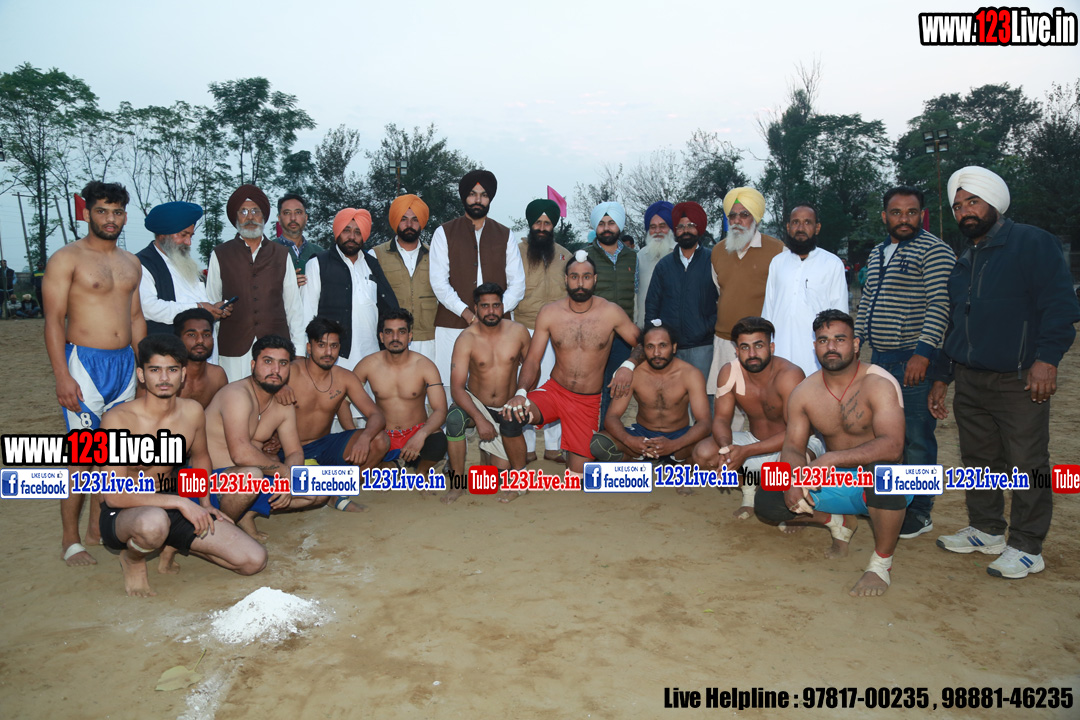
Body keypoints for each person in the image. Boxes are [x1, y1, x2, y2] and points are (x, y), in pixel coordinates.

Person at [931, 166, 1080, 579]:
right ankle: (987, 528)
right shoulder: (965, 258)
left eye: (972, 202)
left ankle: (1028, 546)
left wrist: (1047, 359)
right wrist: (943, 375)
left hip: (1020, 379)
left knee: (1027, 463)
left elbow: (1060, 306)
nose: (964, 211)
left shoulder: (1032, 243)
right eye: (958, 206)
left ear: (994, 202)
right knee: (978, 460)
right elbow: (956, 323)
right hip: (971, 378)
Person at [97, 334, 266, 597]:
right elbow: (114, 495)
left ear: (183, 374)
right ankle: (133, 559)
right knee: (153, 522)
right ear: (141, 375)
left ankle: (173, 542)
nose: (164, 378)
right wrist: (181, 503)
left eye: (172, 370)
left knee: (253, 561)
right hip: (126, 512)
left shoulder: (192, 411)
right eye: (155, 370)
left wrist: (205, 503)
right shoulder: (118, 419)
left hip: (170, 504)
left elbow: (200, 458)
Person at [754, 310, 909, 597]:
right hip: (838, 479)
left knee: (884, 475)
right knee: (768, 496)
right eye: (823, 340)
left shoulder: (879, 383)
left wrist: (829, 459)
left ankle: (880, 565)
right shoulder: (805, 392)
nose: (831, 347)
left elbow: (893, 446)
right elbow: (793, 446)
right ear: (815, 346)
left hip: (883, 480)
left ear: (856, 344)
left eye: (840, 339)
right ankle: (836, 521)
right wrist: (793, 479)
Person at [44, 181, 146, 567]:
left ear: (125, 216)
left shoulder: (131, 262)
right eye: (102, 211)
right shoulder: (66, 259)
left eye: (117, 212)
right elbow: (53, 320)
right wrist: (61, 375)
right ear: (87, 213)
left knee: (114, 455)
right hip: (84, 365)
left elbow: (136, 318)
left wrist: (142, 368)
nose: (110, 219)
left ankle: (94, 529)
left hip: (124, 366)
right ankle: (70, 541)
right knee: (82, 457)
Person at [855, 186, 955, 539]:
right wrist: (856, 341)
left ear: (921, 215)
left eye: (911, 212)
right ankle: (893, 503)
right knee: (884, 435)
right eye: (896, 212)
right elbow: (867, 301)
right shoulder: (877, 252)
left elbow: (940, 304)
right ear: (885, 216)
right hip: (880, 359)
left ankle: (920, 511)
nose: (904, 219)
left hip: (912, 357)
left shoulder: (935, 250)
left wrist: (923, 353)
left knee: (916, 437)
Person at [505, 252, 643, 476]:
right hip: (555, 392)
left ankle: (609, 453)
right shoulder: (550, 313)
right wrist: (521, 392)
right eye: (574, 276)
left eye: (586, 277)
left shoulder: (611, 312)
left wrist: (628, 365)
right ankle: (519, 477)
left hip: (586, 402)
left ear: (595, 279)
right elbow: (532, 359)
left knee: (578, 476)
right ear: (566, 279)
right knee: (512, 414)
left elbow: (643, 343)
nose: (580, 283)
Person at [204, 335, 328, 541]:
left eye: (283, 363)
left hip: (250, 479)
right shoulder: (236, 395)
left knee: (320, 489)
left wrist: (288, 478)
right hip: (210, 482)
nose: (275, 370)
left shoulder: (283, 405)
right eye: (268, 362)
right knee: (251, 477)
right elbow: (240, 453)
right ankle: (219, 534)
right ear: (253, 365)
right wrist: (283, 472)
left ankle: (246, 514)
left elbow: (294, 451)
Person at [691, 317, 817, 514]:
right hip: (755, 441)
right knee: (704, 453)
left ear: (771, 347)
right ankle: (749, 489)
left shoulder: (789, 375)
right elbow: (721, 419)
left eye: (758, 346)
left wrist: (746, 451)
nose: (752, 354)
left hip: (798, 445)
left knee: (778, 496)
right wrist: (726, 449)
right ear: (736, 350)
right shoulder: (729, 372)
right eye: (744, 347)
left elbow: (796, 433)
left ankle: (801, 512)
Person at [269, 317, 388, 511]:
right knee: (289, 485)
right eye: (321, 345)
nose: (328, 352)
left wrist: (365, 438)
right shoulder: (288, 372)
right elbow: (254, 391)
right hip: (288, 450)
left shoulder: (345, 377)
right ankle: (326, 488)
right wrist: (276, 388)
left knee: (380, 440)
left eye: (334, 346)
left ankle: (336, 489)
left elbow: (377, 415)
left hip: (324, 446)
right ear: (309, 347)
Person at [429, 170, 525, 388]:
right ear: (464, 196)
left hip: (497, 325)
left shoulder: (505, 234)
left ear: (490, 198)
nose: (478, 200)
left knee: (496, 385)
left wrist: (493, 312)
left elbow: (518, 284)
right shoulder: (444, 233)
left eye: (484, 195)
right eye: (472, 194)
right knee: (451, 386)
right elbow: (439, 283)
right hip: (453, 324)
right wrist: (467, 314)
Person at [206, 184, 305, 382]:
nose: (250, 217)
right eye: (243, 211)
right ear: (235, 217)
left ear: (264, 217)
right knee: (235, 398)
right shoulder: (220, 254)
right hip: (233, 351)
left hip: (275, 349)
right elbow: (211, 303)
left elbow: (294, 307)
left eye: (255, 211)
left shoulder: (280, 254)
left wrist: (299, 353)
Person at [444, 283, 531, 503]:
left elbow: (532, 368)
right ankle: (456, 483)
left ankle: (489, 454)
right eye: (485, 306)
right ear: (476, 308)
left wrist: (521, 393)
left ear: (503, 306)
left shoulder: (518, 332)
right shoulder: (466, 339)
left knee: (497, 476)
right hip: (476, 402)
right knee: (454, 419)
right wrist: (479, 419)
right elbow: (457, 387)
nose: (491, 311)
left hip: (506, 406)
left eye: (496, 305)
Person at [590, 323, 711, 465]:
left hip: (679, 437)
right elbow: (612, 416)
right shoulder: (634, 374)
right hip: (642, 435)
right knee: (599, 444)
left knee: (707, 449)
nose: (656, 353)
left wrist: (674, 445)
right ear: (643, 349)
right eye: (650, 347)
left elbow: (704, 422)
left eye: (662, 346)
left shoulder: (691, 374)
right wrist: (630, 441)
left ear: (674, 347)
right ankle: (641, 459)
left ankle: (672, 460)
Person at [708, 188, 785, 402]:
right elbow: (719, 290)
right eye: (732, 215)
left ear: (756, 218)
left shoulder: (778, 251)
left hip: (760, 343)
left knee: (763, 400)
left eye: (744, 214)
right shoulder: (717, 251)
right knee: (727, 400)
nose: (737, 221)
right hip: (725, 341)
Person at [354, 309, 448, 478]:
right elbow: (345, 400)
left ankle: (420, 468)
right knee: (370, 451)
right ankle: (393, 463)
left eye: (401, 332)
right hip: (383, 435)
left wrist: (421, 435)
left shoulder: (425, 366)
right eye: (389, 332)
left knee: (438, 440)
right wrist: (353, 433)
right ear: (381, 337)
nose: (395, 337)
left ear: (409, 336)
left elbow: (440, 410)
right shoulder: (368, 364)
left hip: (416, 431)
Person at [302, 208, 398, 370]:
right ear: (338, 232)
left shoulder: (372, 264)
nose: (352, 237)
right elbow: (307, 311)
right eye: (346, 230)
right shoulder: (318, 263)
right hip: (333, 356)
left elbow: (387, 307)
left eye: (358, 232)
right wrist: (305, 353)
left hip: (371, 355)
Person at [515, 198, 572, 463]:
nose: (542, 227)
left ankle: (553, 447)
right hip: (524, 328)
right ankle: (527, 448)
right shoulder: (515, 253)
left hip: (557, 332)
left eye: (547, 223)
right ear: (530, 224)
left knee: (555, 386)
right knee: (525, 386)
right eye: (537, 222)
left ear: (553, 226)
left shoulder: (565, 255)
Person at [762, 204, 848, 377]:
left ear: (817, 228)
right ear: (788, 227)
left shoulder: (832, 264)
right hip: (780, 351)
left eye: (807, 222)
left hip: (815, 356)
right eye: (795, 222)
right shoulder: (777, 262)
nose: (800, 228)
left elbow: (840, 315)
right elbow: (768, 310)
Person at [644, 201, 718, 389]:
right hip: (670, 347)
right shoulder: (664, 265)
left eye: (690, 225)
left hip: (703, 346)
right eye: (681, 226)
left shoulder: (713, 261)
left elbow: (724, 300)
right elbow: (652, 305)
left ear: (699, 229)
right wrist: (655, 339)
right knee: (672, 398)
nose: (685, 230)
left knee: (702, 397)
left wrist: (706, 327)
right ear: (675, 231)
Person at [137, 201, 231, 336]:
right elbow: (149, 309)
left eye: (191, 236)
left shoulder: (183, 260)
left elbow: (192, 298)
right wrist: (198, 308)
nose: (188, 242)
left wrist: (213, 306)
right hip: (168, 346)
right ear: (163, 234)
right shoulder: (142, 264)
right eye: (183, 235)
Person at [585, 202, 639, 423]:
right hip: (591, 335)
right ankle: (585, 434)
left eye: (611, 223)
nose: (606, 228)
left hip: (622, 337)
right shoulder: (584, 256)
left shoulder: (634, 258)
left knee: (615, 387)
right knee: (589, 388)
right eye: (601, 224)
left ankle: (606, 434)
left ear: (620, 226)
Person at [375, 194, 437, 362]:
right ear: (396, 221)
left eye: (415, 219)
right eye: (403, 219)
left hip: (428, 339)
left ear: (421, 222)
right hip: (392, 339)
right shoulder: (376, 255)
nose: (409, 225)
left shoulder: (435, 255)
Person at [172, 308, 228, 408]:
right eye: (192, 335)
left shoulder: (217, 376)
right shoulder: (166, 376)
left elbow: (222, 412)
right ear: (178, 339)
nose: (200, 340)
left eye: (206, 335)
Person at [635, 202, 676, 325]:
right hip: (645, 327)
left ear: (671, 227)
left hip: (675, 328)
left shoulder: (681, 254)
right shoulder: (640, 256)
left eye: (662, 226)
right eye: (653, 227)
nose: (657, 231)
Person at [275, 193, 323, 288]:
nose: (293, 218)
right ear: (279, 219)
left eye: (298, 212)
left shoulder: (320, 253)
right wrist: (285, 285)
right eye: (287, 213)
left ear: (306, 218)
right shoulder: (267, 251)